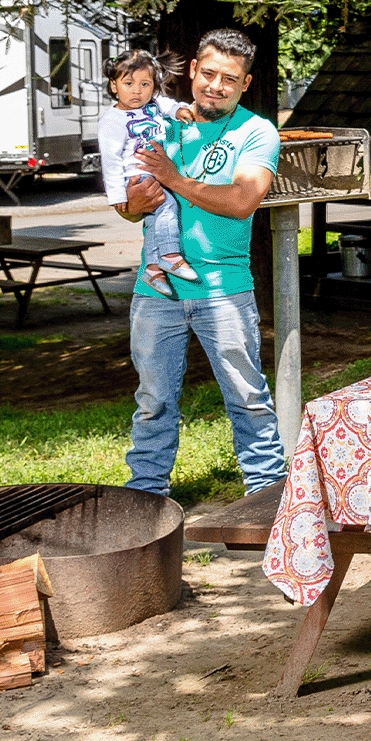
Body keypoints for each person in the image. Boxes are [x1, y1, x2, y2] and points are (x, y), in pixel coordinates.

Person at [116, 27, 284, 496]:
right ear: (192, 71)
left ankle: (267, 496)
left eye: (229, 79)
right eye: (208, 73)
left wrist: (172, 178)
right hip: (156, 291)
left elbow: (241, 200)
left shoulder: (255, 131)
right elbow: (128, 211)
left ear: (245, 84)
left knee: (248, 398)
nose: (216, 85)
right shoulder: (158, 123)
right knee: (152, 401)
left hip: (223, 288)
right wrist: (136, 201)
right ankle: (146, 499)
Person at [97, 51, 198, 298]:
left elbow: (170, 105)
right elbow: (109, 161)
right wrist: (117, 195)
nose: (137, 91)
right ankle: (169, 255)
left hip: (155, 173)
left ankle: (152, 270)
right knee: (167, 206)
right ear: (114, 85)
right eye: (128, 84)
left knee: (155, 219)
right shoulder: (113, 120)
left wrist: (181, 110)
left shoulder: (153, 105)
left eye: (145, 84)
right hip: (136, 176)